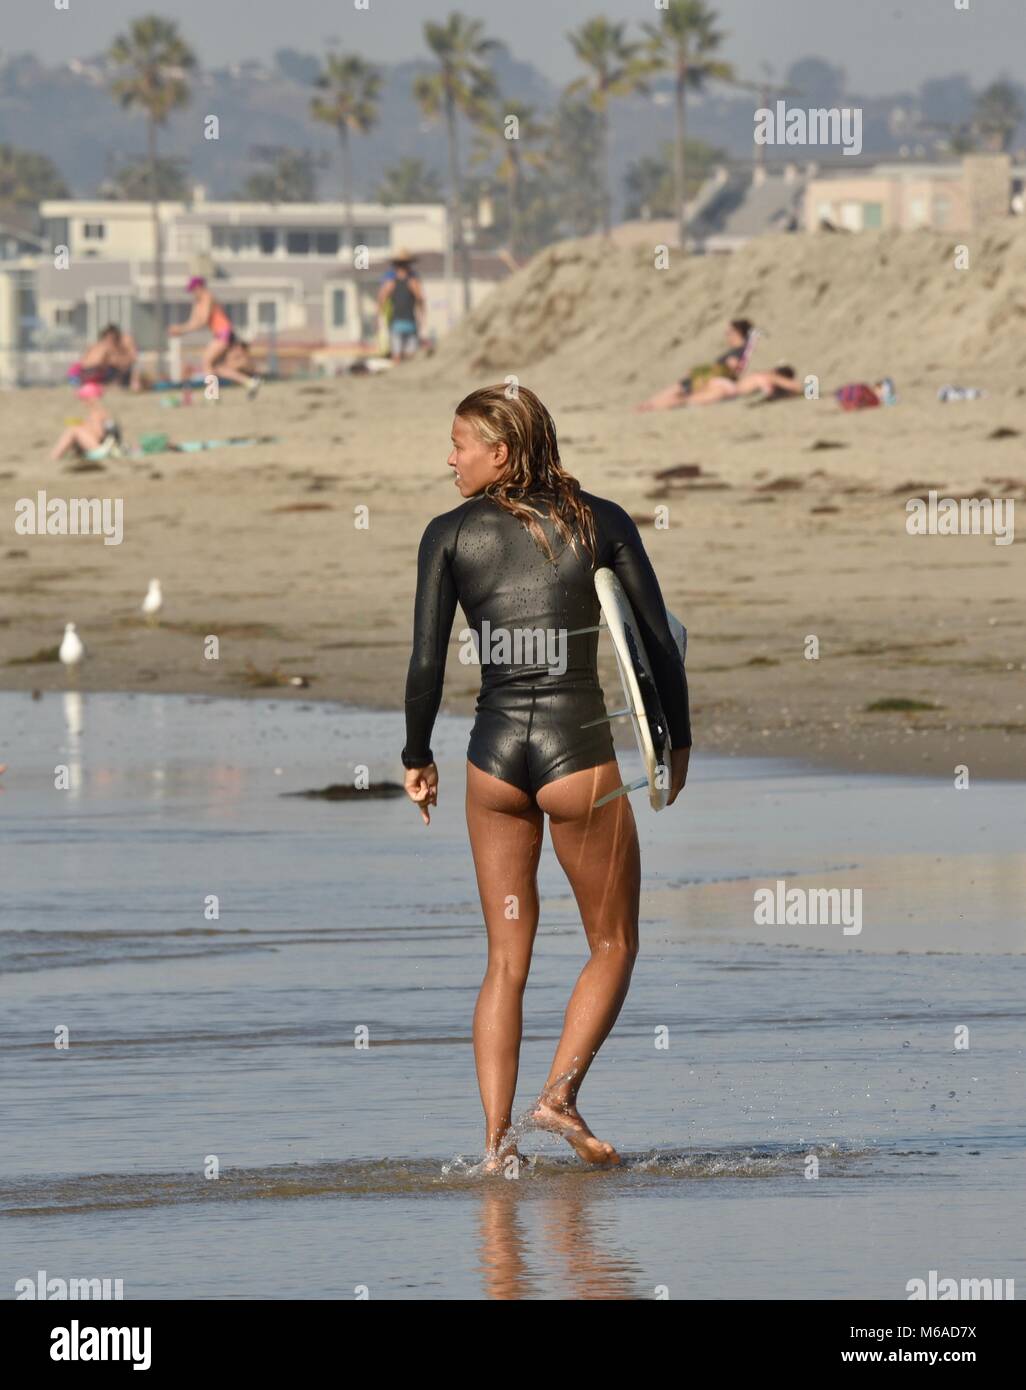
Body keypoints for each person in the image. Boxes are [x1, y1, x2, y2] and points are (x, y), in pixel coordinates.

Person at [401, 385, 692, 1171]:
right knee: (614, 940)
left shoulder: (449, 536)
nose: (449, 457)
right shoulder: (600, 520)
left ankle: (495, 1151)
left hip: (493, 760)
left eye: (459, 443)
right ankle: (558, 1096)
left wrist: (415, 756)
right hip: (578, 758)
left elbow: (427, 660)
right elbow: (658, 643)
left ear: (500, 451)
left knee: (505, 959)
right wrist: (677, 744)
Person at [168, 277, 261, 397]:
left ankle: (212, 394)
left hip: (224, 333)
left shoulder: (207, 297)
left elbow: (203, 320)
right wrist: (180, 330)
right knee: (218, 368)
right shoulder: (198, 303)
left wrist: (181, 329)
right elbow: (193, 322)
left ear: (200, 287)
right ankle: (250, 382)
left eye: (193, 290)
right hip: (221, 334)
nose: (192, 293)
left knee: (206, 361)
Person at [637, 318, 755, 412]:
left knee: (679, 392)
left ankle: (650, 406)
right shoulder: (739, 350)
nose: (727, 335)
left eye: (729, 332)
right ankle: (650, 405)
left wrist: (699, 371)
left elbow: (730, 368)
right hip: (709, 378)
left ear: (738, 333)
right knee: (678, 390)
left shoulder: (738, 350)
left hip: (709, 379)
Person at [50, 384, 122, 461]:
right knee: (75, 429)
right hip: (104, 447)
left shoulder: (97, 413)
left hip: (99, 450)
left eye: (84, 398)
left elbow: (99, 434)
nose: (83, 402)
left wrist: (84, 427)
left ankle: (54, 456)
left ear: (91, 399)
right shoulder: (102, 412)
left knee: (73, 430)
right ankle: (55, 456)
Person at [377, 253, 424, 363]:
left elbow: (381, 299)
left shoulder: (390, 283)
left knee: (397, 354)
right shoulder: (412, 282)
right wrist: (422, 315)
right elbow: (420, 299)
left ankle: (399, 373)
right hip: (408, 321)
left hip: (397, 322)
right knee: (410, 356)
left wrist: (379, 317)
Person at [685, 363, 804, 406]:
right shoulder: (770, 377)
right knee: (692, 401)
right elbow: (795, 386)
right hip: (730, 388)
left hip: (724, 383)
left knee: (690, 400)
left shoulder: (759, 375)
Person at [72, 324, 142, 391]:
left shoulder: (96, 345)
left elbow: (83, 360)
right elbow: (115, 361)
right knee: (123, 368)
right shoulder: (107, 346)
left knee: (126, 368)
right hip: (90, 372)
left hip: (80, 371)